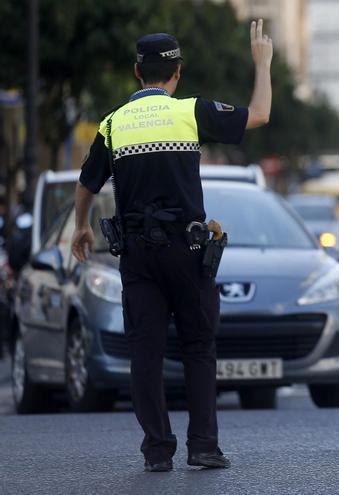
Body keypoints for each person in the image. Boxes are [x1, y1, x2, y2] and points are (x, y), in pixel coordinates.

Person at [70, 21, 273, 472]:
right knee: (198, 347)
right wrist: (263, 64)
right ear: (177, 73)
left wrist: (80, 226)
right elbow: (258, 115)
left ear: (137, 73)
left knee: (145, 350)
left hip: (138, 254)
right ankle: (203, 447)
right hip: (187, 250)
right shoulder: (190, 111)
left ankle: (157, 451)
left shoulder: (113, 122)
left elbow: (87, 182)